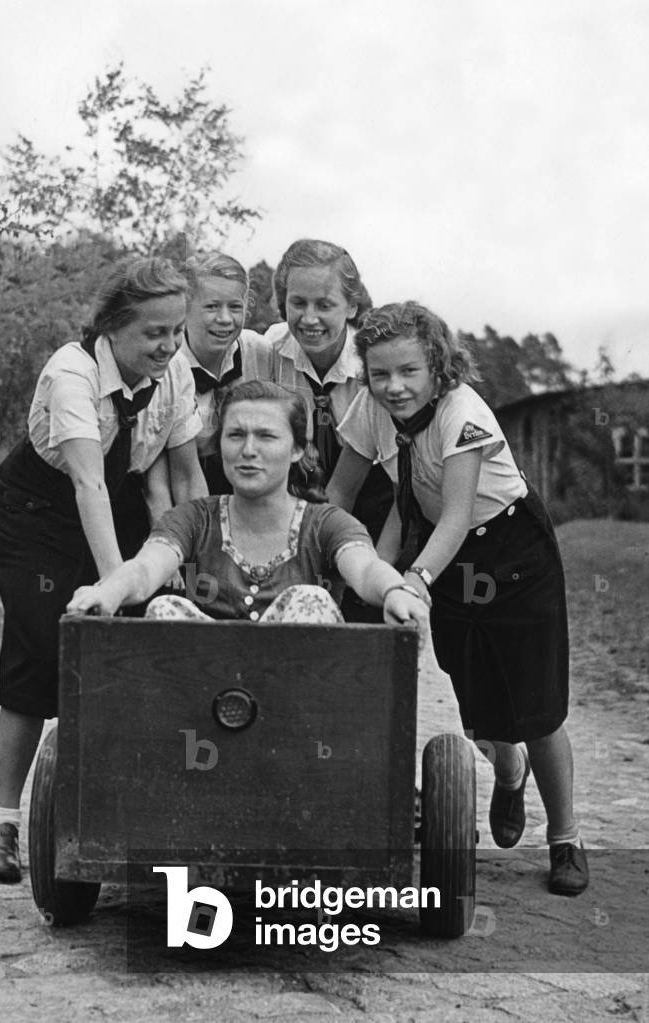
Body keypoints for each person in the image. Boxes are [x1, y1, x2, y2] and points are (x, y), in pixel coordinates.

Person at [327, 301, 588, 896]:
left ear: (439, 367)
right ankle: (507, 766)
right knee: (479, 707)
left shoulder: (464, 412)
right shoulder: (372, 409)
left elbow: (458, 514)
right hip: (445, 556)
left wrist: (410, 581)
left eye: (408, 372)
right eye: (379, 374)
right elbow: (340, 495)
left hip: (510, 551)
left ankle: (566, 841)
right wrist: (320, 557)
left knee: (537, 706)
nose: (393, 387)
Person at [0, 256, 206, 884]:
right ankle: (1, 823)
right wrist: (114, 588)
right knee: (39, 646)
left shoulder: (176, 372)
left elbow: (184, 475)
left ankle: (123, 807)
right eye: (152, 333)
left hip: (121, 503)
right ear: (113, 327)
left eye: (176, 330)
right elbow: (85, 482)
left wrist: (198, 558)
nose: (168, 345)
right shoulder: (72, 371)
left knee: (140, 650)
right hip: (41, 512)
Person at [67, 381, 430, 652]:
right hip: (202, 701)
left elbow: (365, 568)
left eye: (267, 436)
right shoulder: (194, 519)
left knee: (311, 601)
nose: (249, 451)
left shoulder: (326, 523)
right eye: (236, 435)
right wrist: (109, 591)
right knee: (165, 607)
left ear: (297, 449)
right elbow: (147, 568)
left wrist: (395, 591)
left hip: (301, 707)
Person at [264, 239, 392, 543]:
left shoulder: (372, 364)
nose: (309, 319)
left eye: (324, 305)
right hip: (296, 492)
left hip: (374, 495)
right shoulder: (270, 348)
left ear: (351, 307)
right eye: (298, 303)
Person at [172, 251, 271, 493]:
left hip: (249, 478)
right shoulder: (169, 366)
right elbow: (177, 473)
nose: (225, 319)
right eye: (212, 307)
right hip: (185, 477)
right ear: (185, 308)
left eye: (235, 307)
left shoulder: (259, 351)